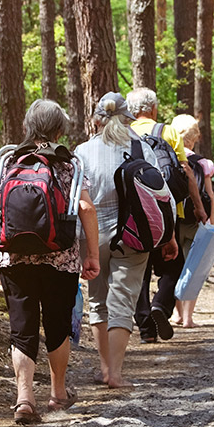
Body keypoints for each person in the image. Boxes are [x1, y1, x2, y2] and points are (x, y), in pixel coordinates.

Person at [0, 99, 101, 425]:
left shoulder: (8, 161)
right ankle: (58, 394)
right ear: (60, 129)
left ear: (27, 127)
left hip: (14, 257)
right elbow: (87, 209)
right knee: (57, 327)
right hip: (60, 259)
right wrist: (91, 255)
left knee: (21, 330)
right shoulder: (68, 164)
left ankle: (24, 399)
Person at [75, 92, 179, 388]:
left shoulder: (82, 152)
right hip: (135, 235)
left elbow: (75, 201)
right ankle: (115, 374)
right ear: (128, 119)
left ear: (96, 119)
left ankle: (104, 368)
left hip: (92, 236)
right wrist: (167, 237)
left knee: (99, 301)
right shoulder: (141, 148)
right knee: (123, 301)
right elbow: (163, 197)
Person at [126, 88, 208, 343]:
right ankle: (160, 306)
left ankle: (146, 329)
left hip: (132, 214)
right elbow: (184, 170)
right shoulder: (167, 131)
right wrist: (198, 206)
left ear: (132, 110)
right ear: (153, 109)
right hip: (167, 212)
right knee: (173, 264)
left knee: (140, 268)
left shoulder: (123, 132)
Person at [170, 114, 214, 329]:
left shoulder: (169, 158)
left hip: (174, 222)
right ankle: (189, 318)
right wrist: (211, 221)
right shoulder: (203, 163)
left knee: (175, 267)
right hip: (197, 222)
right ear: (195, 137)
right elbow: (210, 195)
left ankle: (176, 314)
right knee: (193, 269)